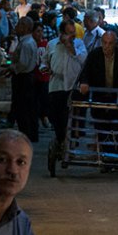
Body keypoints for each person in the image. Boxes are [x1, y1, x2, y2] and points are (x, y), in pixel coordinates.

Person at [77, 31, 118, 170]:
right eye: (105, 43)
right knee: (101, 127)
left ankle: (117, 157)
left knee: (116, 125)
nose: (107, 46)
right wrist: (84, 83)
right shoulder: (95, 55)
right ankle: (105, 159)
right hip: (99, 95)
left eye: (110, 43)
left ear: (115, 44)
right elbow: (85, 72)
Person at [46, 18, 87, 153]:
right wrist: (45, 68)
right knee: (56, 115)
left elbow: (83, 60)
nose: (72, 36)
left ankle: (70, 140)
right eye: (69, 33)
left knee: (70, 115)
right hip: (56, 85)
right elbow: (45, 61)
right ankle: (60, 139)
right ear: (62, 33)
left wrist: (71, 47)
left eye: (73, 33)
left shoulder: (79, 44)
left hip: (72, 85)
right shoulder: (52, 44)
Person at [8, 16, 39, 142]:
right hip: (26, 78)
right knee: (26, 108)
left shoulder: (27, 43)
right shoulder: (27, 41)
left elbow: (23, 64)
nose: (16, 27)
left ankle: (26, 134)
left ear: (25, 28)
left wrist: (12, 68)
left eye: (19, 25)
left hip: (24, 78)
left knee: (23, 108)